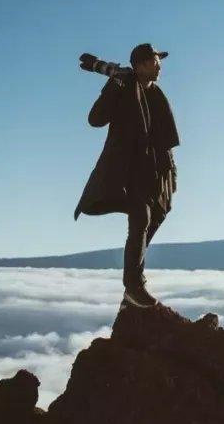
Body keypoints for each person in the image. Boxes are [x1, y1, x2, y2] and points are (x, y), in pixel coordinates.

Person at [73, 43, 179, 308]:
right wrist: (113, 85)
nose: (160, 65)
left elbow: (163, 138)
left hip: (154, 171)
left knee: (154, 216)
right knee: (141, 216)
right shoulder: (123, 86)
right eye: (156, 60)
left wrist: (171, 172)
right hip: (126, 170)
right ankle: (133, 286)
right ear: (141, 64)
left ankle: (134, 284)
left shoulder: (156, 94)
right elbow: (95, 119)